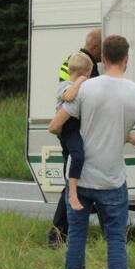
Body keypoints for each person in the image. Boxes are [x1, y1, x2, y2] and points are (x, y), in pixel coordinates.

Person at [48, 34, 135, 269]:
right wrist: (127, 136)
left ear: (103, 59)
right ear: (126, 60)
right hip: (113, 180)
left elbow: (56, 123)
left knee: (77, 237)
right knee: (116, 239)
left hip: (80, 179)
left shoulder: (86, 89)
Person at [49, 29, 102, 245]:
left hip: (79, 130)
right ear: (95, 47)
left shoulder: (89, 62)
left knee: (78, 179)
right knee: (72, 178)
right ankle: (58, 234)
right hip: (70, 128)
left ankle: (63, 232)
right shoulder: (76, 63)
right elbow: (70, 98)